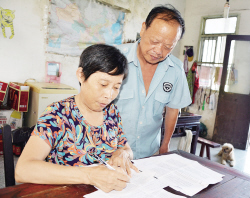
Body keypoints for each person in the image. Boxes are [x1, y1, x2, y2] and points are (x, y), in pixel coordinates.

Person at [15, 44, 138, 193]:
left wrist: (123, 153)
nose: (109, 95)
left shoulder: (111, 111)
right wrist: (89, 175)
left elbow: (125, 147)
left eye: (116, 87)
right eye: (103, 84)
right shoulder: (57, 114)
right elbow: (23, 170)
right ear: (81, 75)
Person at [114, 5, 191, 159]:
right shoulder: (113, 58)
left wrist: (165, 145)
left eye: (168, 46)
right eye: (154, 41)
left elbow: (173, 110)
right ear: (143, 29)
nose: (158, 51)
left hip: (149, 152)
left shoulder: (175, 70)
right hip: (111, 152)